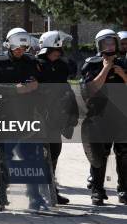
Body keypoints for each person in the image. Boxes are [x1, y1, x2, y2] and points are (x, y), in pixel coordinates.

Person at [0, 27, 47, 211]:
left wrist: (36, 86)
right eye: (17, 46)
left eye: (23, 46)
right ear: (9, 44)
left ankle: (35, 198)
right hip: (5, 117)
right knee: (5, 157)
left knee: (30, 157)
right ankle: (1, 196)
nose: (20, 50)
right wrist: (15, 89)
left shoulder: (31, 61)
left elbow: (42, 83)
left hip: (27, 116)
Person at [81, 29, 127, 205]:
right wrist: (106, 68)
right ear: (99, 45)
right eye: (105, 43)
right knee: (100, 154)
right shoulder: (92, 64)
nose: (109, 46)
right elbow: (91, 89)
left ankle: (123, 190)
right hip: (100, 115)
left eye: (112, 42)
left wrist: (122, 74)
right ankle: (97, 191)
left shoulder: (123, 63)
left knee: (123, 154)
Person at [36, 30, 79, 205]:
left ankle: (52, 190)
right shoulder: (36, 65)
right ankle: (36, 191)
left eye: (59, 50)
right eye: (54, 49)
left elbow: (67, 86)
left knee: (54, 152)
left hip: (56, 116)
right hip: (38, 116)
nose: (58, 52)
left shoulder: (62, 66)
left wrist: (72, 112)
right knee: (38, 154)